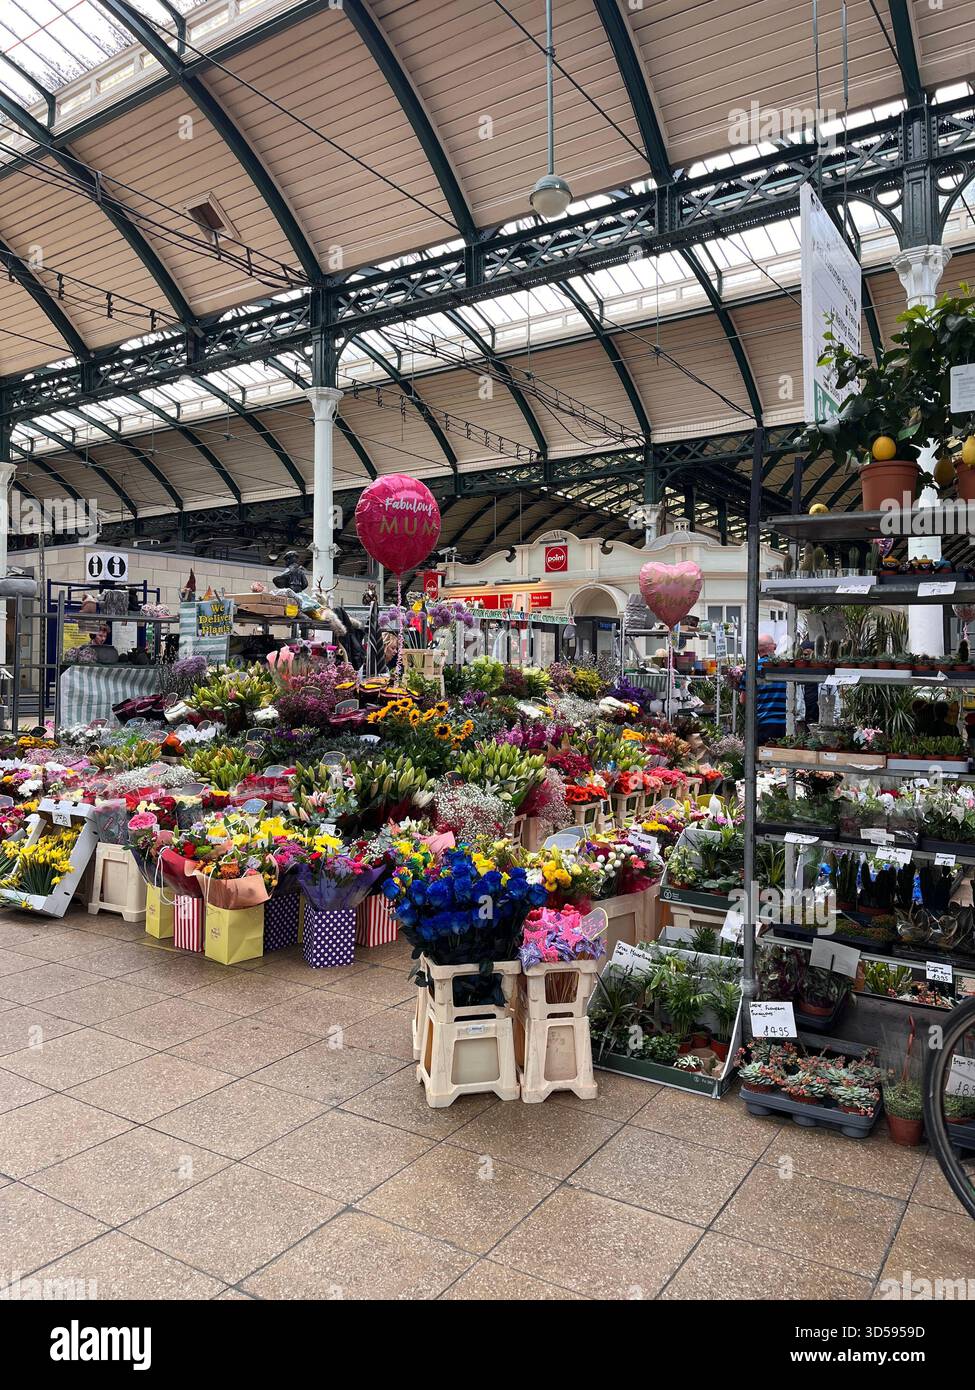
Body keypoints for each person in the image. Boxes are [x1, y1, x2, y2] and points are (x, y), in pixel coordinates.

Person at [756, 633, 787, 742]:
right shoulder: (785, 667)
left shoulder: (752, 668)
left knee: (762, 755)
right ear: (773, 647)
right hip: (785, 722)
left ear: (757, 650)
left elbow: (744, 699)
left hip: (763, 722)